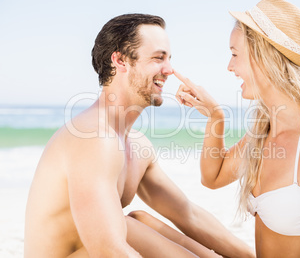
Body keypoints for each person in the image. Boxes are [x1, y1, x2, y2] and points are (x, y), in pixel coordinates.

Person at [24, 13, 255, 258]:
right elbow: (107, 250)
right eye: (158, 58)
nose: (168, 70)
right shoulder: (94, 139)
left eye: (169, 59)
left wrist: (252, 256)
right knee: (131, 228)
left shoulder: (134, 144)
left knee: (141, 220)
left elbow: (189, 215)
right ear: (120, 61)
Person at [175, 0, 300, 257]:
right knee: (140, 221)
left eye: (234, 54)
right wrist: (215, 116)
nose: (230, 67)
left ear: (264, 56)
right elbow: (213, 177)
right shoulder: (263, 131)